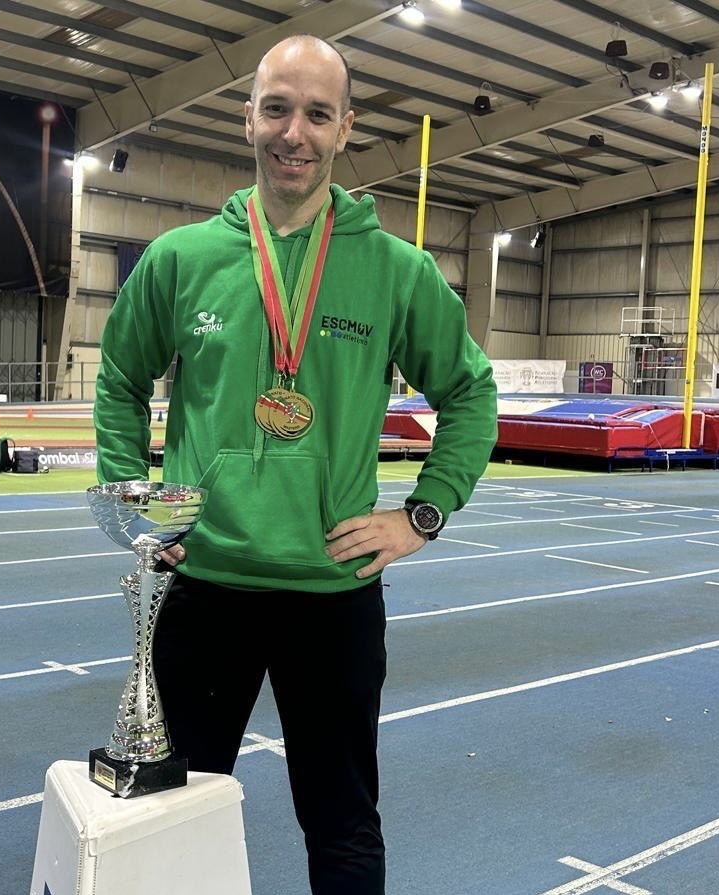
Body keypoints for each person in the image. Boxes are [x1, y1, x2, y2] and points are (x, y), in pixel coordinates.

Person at [93, 34, 497, 895]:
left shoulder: (396, 270)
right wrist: (135, 505)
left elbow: (470, 390)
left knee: (342, 823)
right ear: (248, 118)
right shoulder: (181, 259)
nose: (294, 133)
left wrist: (423, 512)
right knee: (166, 817)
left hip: (333, 594)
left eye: (317, 113)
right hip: (206, 586)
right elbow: (121, 377)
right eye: (277, 109)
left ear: (346, 128)